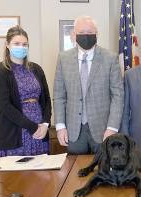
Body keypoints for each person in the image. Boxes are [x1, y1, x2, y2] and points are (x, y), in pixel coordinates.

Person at [53, 16, 123, 154]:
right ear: (73, 34)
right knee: (75, 171)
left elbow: (118, 96)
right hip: (73, 130)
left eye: (90, 32)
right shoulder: (63, 58)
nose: (86, 35)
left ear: (97, 34)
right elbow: (59, 95)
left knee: (103, 170)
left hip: (103, 130)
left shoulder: (110, 58)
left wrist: (112, 128)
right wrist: (60, 126)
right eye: (82, 32)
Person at [0, 26, 51, 157]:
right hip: (15, 133)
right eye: (17, 44)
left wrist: (45, 124)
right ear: (7, 45)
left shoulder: (36, 69)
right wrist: (32, 127)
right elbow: (5, 106)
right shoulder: (0, 71)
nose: (21, 47)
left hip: (40, 131)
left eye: (25, 44)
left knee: (41, 175)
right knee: (15, 176)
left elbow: (46, 100)